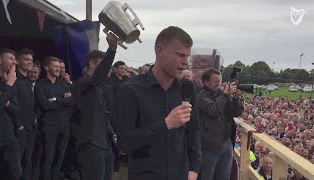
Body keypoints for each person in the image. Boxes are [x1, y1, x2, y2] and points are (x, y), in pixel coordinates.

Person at [112, 26, 202, 180]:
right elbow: (124, 143)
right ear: (159, 51)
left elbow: (193, 132)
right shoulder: (131, 90)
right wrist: (165, 124)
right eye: (180, 55)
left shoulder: (186, 87)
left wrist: (194, 169)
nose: (185, 62)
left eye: (187, 56)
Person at [73, 33, 117, 180]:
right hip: (90, 146)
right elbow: (99, 76)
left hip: (105, 145)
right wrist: (112, 49)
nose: (108, 68)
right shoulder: (83, 84)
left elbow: (103, 114)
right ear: (92, 64)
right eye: (104, 63)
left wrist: (112, 134)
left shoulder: (100, 88)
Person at [197, 68, 243, 180]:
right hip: (209, 146)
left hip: (225, 143)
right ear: (206, 82)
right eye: (216, 81)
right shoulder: (202, 96)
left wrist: (236, 99)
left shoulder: (222, 95)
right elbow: (214, 110)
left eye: (220, 81)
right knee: (206, 176)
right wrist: (226, 95)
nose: (219, 84)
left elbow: (236, 112)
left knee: (223, 176)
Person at [35, 56, 73, 180]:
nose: (58, 69)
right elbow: (45, 105)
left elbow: (71, 101)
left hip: (64, 127)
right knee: (48, 158)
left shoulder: (63, 84)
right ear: (47, 67)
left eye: (59, 66)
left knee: (59, 157)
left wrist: (56, 100)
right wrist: (63, 101)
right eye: (55, 66)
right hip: (49, 126)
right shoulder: (40, 85)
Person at [0, 48, 22, 180]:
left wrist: (6, 101)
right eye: (10, 58)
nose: (14, 62)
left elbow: (16, 109)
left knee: (15, 172)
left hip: (8, 133)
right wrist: (9, 84)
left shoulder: (10, 83)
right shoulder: (9, 82)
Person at [15, 48, 36, 180]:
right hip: (19, 130)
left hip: (31, 129)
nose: (30, 62)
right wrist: (19, 125)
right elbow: (11, 105)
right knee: (16, 164)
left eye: (31, 60)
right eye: (26, 59)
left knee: (27, 162)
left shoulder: (28, 82)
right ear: (17, 61)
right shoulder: (14, 80)